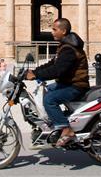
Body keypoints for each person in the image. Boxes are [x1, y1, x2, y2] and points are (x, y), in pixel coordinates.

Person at [24, 18, 89, 148]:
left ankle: (66, 129)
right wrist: (34, 71)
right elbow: (53, 63)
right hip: (68, 82)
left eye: (55, 29)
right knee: (47, 90)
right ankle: (55, 122)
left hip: (76, 85)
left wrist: (36, 75)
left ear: (63, 31)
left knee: (49, 99)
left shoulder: (69, 49)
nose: (52, 32)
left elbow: (58, 70)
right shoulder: (65, 45)